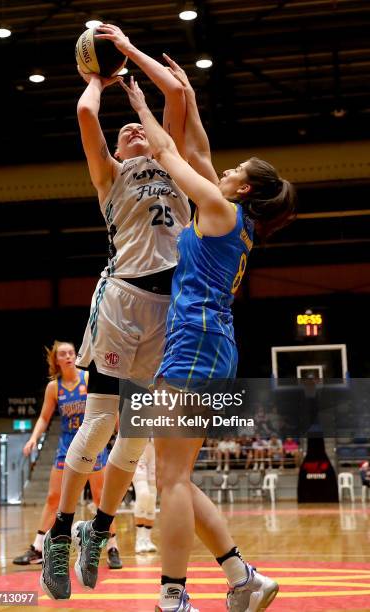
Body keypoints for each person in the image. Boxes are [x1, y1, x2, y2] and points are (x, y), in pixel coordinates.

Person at [118, 62, 296, 611]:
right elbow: (197, 150)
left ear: (241, 188)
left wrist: (143, 109)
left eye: (232, 169)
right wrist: (187, 96)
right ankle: (243, 576)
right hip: (212, 344)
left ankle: (173, 597)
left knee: (171, 478)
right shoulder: (228, 217)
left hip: (195, 342)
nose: (220, 170)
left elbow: (173, 156)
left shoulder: (218, 210)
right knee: (179, 476)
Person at [40, 24, 190, 601]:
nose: (131, 132)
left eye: (139, 130)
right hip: (123, 301)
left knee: (137, 435)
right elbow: (84, 115)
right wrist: (99, 79)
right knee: (102, 422)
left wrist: (135, 85)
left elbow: (176, 100)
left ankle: (97, 529)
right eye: (124, 134)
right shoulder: (110, 175)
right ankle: (57, 532)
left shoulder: (172, 161)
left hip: (167, 312)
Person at [13, 341, 121, 569]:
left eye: (72, 352)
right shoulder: (54, 388)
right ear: (57, 360)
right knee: (54, 498)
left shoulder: (88, 379)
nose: (69, 356)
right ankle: (38, 548)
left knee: (101, 498)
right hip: (66, 445)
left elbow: (109, 406)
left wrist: (121, 432)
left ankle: (112, 547)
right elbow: (44, 417)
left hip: (92, 442)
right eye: (64, 354)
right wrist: (33, 438)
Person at [133, 440, 157, 553]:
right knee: (143, 494)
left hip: (156, 447)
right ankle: (139, 539)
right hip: (137, 445)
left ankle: (147, 539)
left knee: (152, 498)